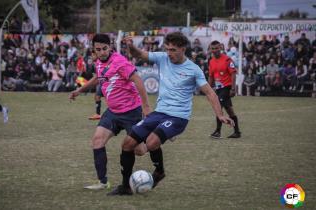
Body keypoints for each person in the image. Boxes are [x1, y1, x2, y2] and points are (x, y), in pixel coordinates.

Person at [107, 32, 234, 196]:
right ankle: (125, 187)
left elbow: (210, 93)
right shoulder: (162, 58)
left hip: (178, 117)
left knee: (152, 142)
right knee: (127, 143)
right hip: (159, 113)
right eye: (167, 49)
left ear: (183, 49)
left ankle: (159, 172)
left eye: (173, 50)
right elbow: (139, 54)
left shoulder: (193, 70)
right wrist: (131, 46)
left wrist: (220, 114)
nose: (169, 53)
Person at [68, 34, 151, 190]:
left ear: (110, 47)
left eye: (105, 48)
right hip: (113, 112)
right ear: (94, 50)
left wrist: (146, 107)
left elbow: (138, 80)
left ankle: (153, 140)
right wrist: (79, 90)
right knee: (97, 141)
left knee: (139, 150)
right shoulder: (99, 62)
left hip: (131, 112)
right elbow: (97, 78)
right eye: (98, 49)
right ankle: (103, 182)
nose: (102, 52)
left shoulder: (120, 62)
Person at [208, 40, 241, 139]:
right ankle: (237, 132)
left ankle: (217, 132)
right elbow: (211, 76)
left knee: (219, 108)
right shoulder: (211, 61)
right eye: (213, 49)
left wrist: (233, 88)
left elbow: (233, 74)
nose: (214, 50)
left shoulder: (227, 60)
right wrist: (208, 90)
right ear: (210, 49)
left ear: (221, 48)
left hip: (226, 88)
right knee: (230, 111)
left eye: (216, 48)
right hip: (218, 89)